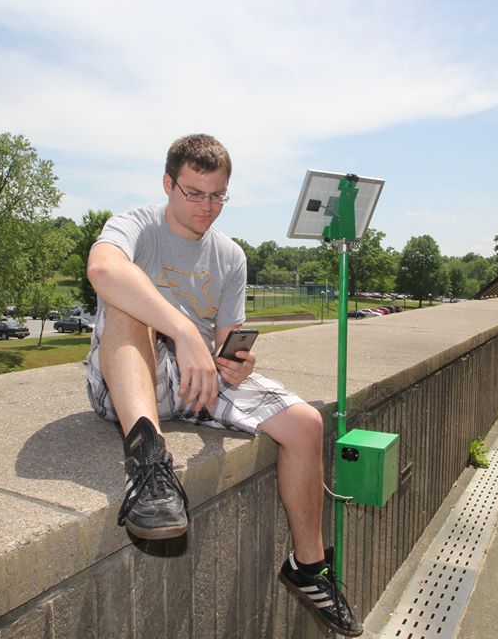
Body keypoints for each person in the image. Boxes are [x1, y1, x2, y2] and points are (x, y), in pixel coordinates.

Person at [84, 133, 362, 637]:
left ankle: (309, 566)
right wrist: (183, 329)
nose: (206, 207)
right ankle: (148, 466)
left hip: (196, 380)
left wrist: (238, 362)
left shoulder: (230, 255)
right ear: (168, 184)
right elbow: (102, 268)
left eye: (217, 196)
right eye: (193, 192)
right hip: (129, 378)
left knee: (304, 424)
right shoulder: (137, 225)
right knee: (125, 302)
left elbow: (229, 341)